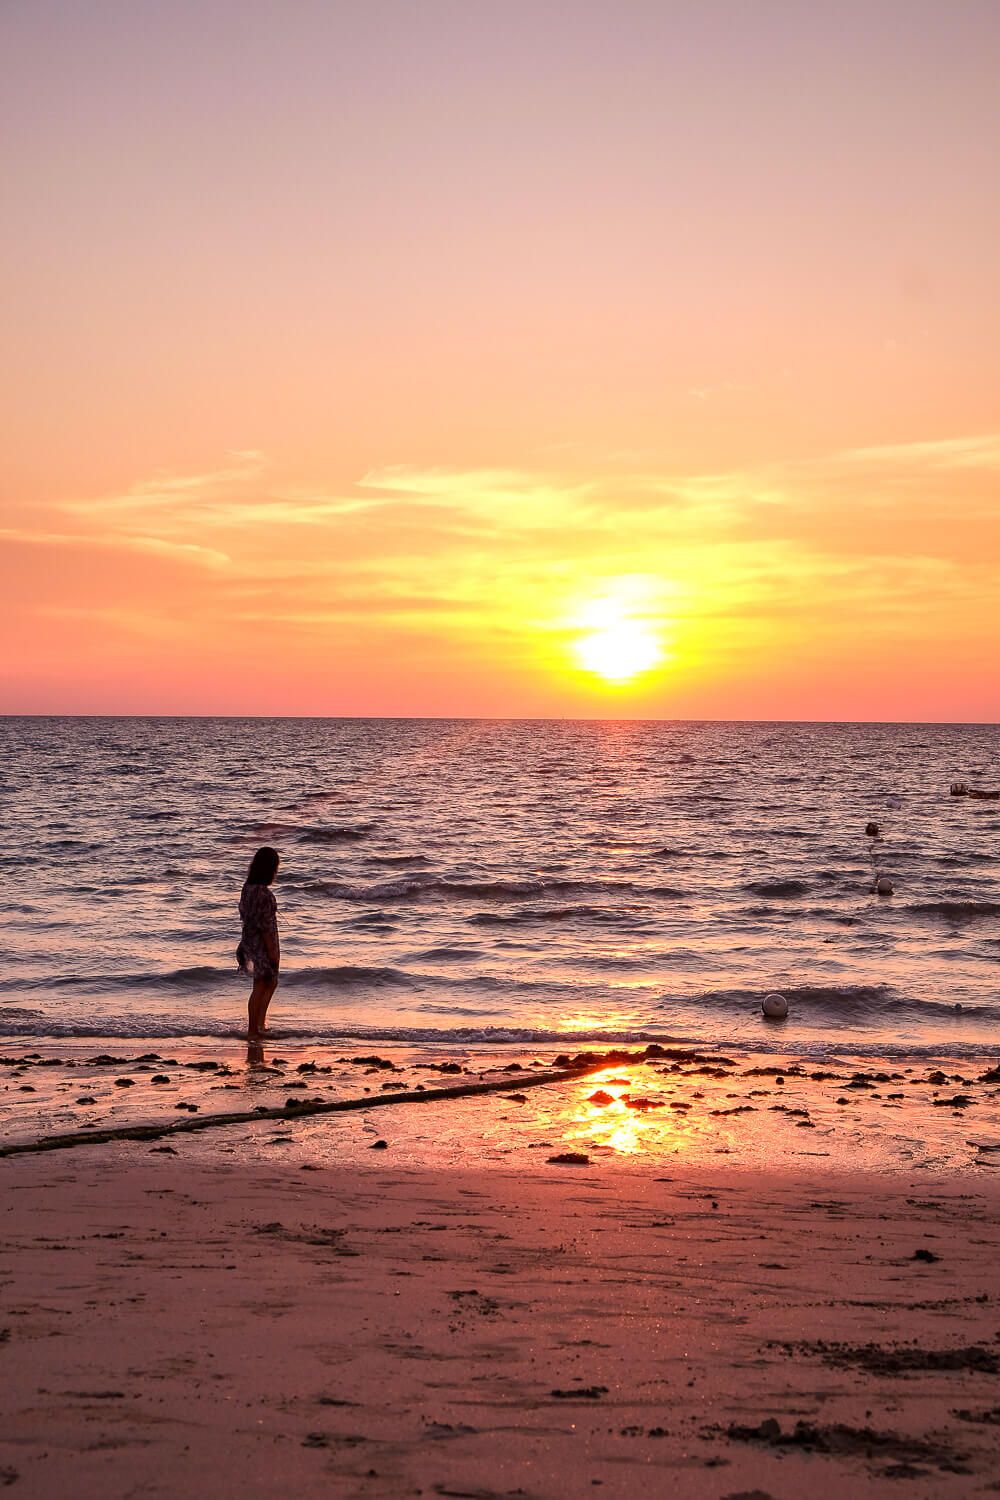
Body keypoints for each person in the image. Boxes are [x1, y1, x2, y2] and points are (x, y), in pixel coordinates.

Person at [238, 846, 281, 1039]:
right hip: (262, 942)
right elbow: (266, 926)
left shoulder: (247, 889)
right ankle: (254, 1029)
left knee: (266, 983)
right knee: (264, 984)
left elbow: (247, 917)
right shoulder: (264, 894)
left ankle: (259, 1025)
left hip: (249, 939)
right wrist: (272, 951)